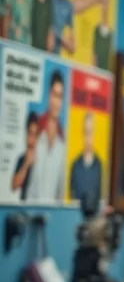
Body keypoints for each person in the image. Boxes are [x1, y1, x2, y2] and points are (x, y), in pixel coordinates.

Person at [26, 70, 67, 202]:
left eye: (60, 97)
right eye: (55, 95)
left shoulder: (63, 140)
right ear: (49, 95)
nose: (57, 102)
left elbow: (60, 190)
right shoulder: (35, 129)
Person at [70, 112, 104, 203]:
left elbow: (100, 196)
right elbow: (72, 197)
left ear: (94, 133)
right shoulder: (75, 165)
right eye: (86, 132)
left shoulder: (99, 166)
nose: (88, 137)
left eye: (90, 132)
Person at [10, 112, 40, 201]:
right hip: (25, 206)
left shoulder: (43, 159)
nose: (33, 139)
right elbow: (14, 186)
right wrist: (26, 164)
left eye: (36, 135)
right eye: (30, 134)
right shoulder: (21, 159)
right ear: (26, 135)